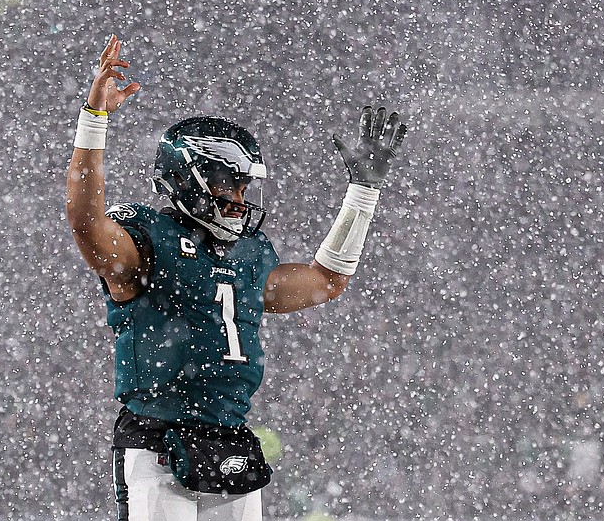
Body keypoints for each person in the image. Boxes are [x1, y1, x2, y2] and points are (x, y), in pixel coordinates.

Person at [66, 34, 406, 521]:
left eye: (244, 187)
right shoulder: (148, 238)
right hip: (157, 437)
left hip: (229, 437)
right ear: (191, 179)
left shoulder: (248, 254)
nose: (241, 200)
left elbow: (326, 281)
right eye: (230, 184)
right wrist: (94, 121)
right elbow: (86, 223)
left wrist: (363, 194)